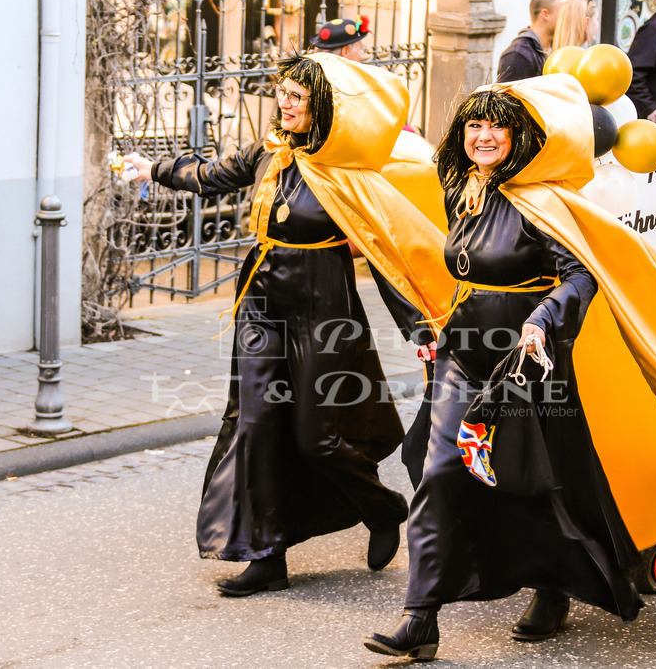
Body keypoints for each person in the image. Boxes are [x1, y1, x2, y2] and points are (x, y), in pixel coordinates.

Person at [365, 73, 656, 661]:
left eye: (496, 127)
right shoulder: (465, 189)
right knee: (439, 469)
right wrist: (435, 330)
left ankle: (552, 584)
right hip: (465, 353)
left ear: (523, 137)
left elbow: (582, 274)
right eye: (474, 126)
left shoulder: (545, 203)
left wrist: (541, 321)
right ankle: (421, 618)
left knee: (537, 480)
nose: (483, 137)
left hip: (531, 361)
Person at [123, 54, 454, 597]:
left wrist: (423, 329)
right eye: (283, 93)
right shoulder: (268, 153)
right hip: (259, 302)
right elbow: (209, 175)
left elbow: (391, 251)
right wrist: (153, 169)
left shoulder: (344, 174)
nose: (286, 104)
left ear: (321, 105)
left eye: (298, 97)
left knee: (315, 437)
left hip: (322, 309)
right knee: (255, 423)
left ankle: (383, 507)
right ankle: (266, 555)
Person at [496, 0, 564, 82]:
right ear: (545, 14)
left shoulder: (556, 49)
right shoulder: (518, 55)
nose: (566, 19)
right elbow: (504, 96)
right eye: (562, 13)